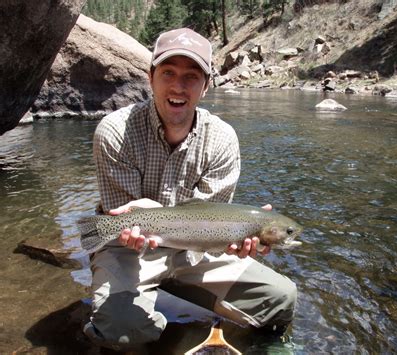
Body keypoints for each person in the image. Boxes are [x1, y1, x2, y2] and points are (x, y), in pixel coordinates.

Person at [83, 28, 297, 350]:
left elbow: (208, 227)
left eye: (192, 76)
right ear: (150, 76)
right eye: (168, 72)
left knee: (282, 299)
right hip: (129, 247)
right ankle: (146, 323)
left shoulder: (223, 140)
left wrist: (233, 242)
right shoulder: (114, 132)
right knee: (121, 332)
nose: (178, 86)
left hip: (193, 249)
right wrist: (131, 221)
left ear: (206, 85)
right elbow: (121, 219)